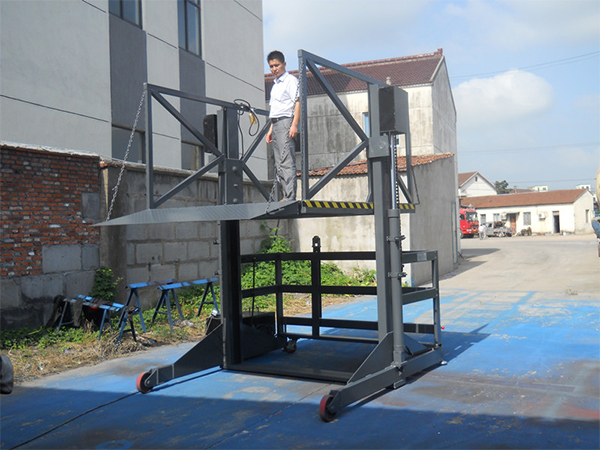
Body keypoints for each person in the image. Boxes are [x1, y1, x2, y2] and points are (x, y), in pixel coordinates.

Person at [266, 50, 300, 201]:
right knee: (278, 161)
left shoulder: (290, 81)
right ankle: (283, 195)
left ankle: (290, 196)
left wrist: (294, 125)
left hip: (286, 122)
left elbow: (298, 102)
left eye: (277, 65)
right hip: (276, 123)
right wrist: (270, 129)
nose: (274, 69)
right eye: (271, 66)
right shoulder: (275, 85)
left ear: (284, 64)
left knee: (286, 160)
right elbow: (275, 110)